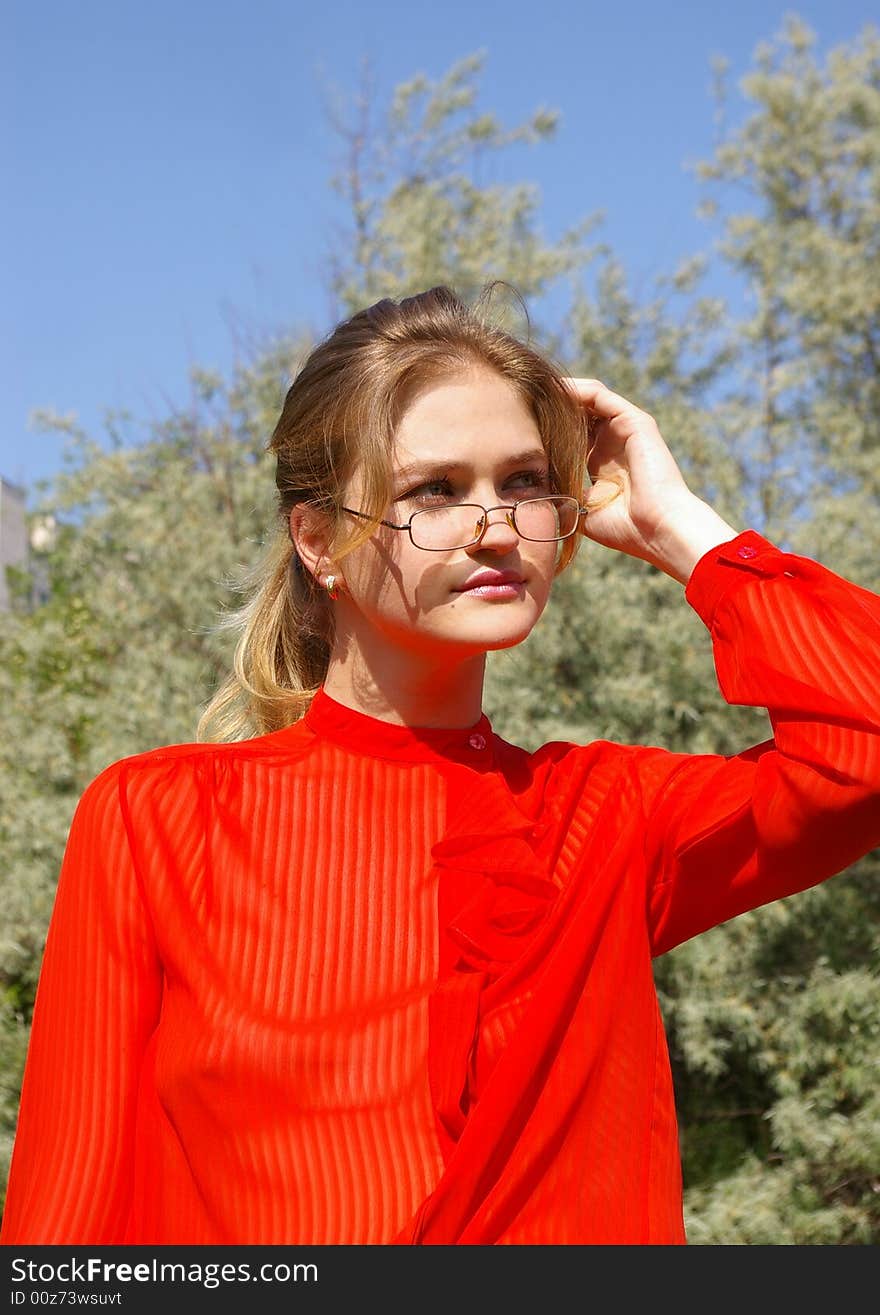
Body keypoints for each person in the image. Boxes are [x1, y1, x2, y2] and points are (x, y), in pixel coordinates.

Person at [1, 283, 878, 1247]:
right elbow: (65, 1221)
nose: (496, 523)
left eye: (526, 482)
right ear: (317, 537)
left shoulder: (606, 817)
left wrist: (683, 530)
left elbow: (861, 752)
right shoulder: (158, 820)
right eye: (436, 489)